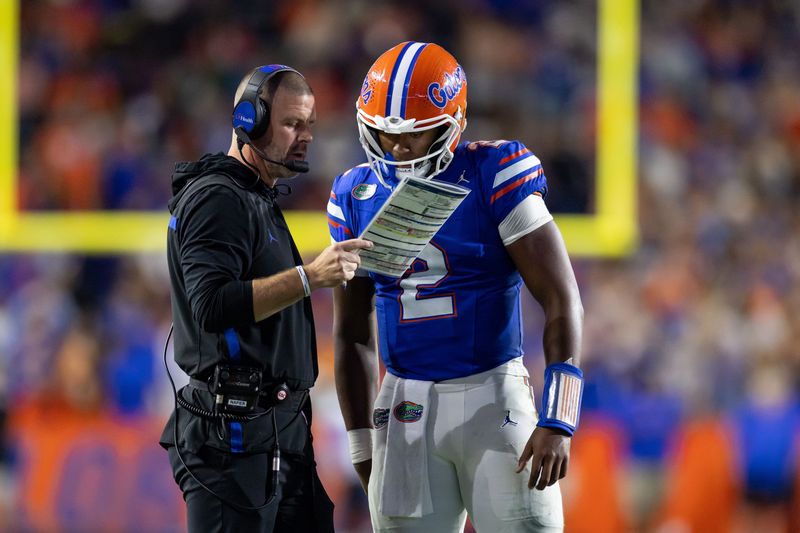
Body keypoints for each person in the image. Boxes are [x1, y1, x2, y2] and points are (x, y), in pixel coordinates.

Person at [328, 42, 584, 532]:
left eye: (415, 135)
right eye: (385, 132)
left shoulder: (493, 173)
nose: (397, 147)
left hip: (492, 394)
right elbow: (351, 332)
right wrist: (360, 443)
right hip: (403, 404)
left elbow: (562, 299)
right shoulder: (354, 194)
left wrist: (558, 417)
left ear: (451, 126)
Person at [160, 64, 372, 533]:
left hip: (276, 434)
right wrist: (310, 275)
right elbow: (212, 304)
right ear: (248, 120)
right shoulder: (219, 197)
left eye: (310, 125)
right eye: (292, 123)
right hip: (232, 441)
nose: (306, 136)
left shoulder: (256, 198)